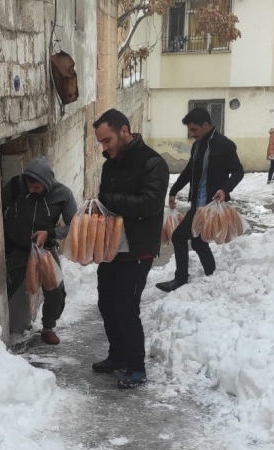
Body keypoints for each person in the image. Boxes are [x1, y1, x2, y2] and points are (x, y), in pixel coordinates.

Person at [92, 109, 169, 389]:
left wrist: (110, 200)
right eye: (101, 142)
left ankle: (136, 367)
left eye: (107, 140)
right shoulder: (110, 163)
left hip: (138, 249)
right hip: (113, 247)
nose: (105, 147)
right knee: (106, 303)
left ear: (124, 131)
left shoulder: (152, 162)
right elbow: (105, 201)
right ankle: (117, 355)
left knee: (126, 306)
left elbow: (150, 204)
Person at [156, 108, 244, 293]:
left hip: (211, 204)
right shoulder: (197, 145)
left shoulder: (224, 144)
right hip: (197, 203)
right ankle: (211, 275)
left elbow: (238, 171)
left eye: (194, 129)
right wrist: (174, 190)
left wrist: (225, 189)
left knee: (180, 237)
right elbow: (190, 170)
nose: (191, 133)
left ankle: (181, 279)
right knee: (198, 242)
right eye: (190, 130)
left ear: (206, 125)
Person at [2, 156, 77, 345]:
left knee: (55, 289)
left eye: (35, 187)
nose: (30, 190)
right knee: (6, 285)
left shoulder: (63, 195)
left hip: (45, 248)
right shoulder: (16, 186)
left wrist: (51, 233)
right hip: (17, 248)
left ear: (46, 183)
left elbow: (73, 225)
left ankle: (48, 326)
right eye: (28, 185)